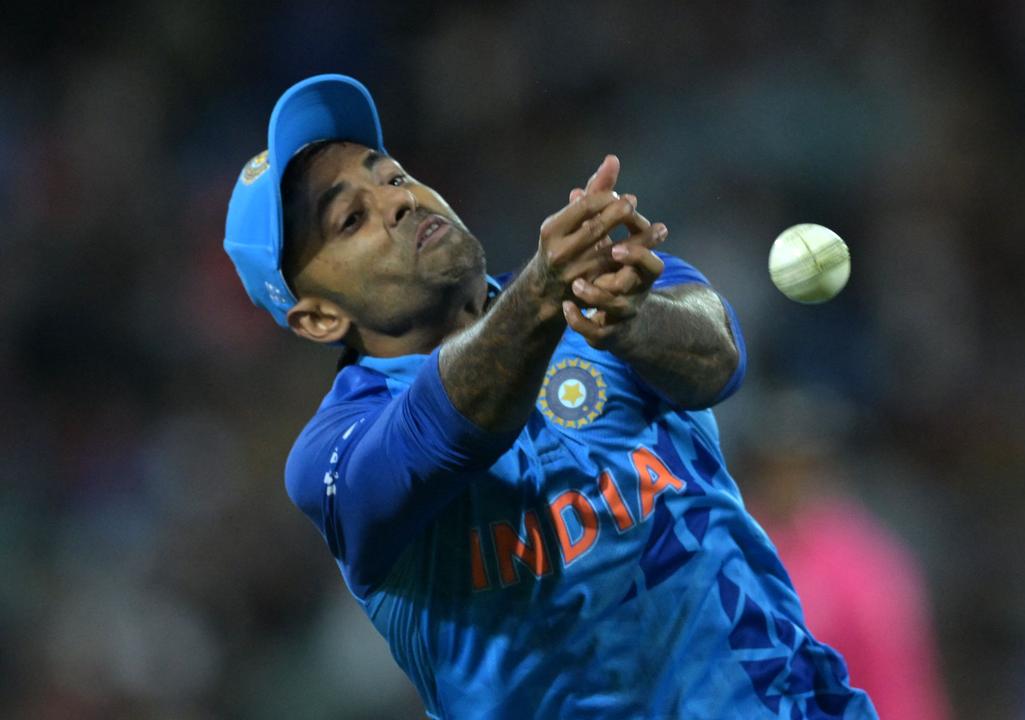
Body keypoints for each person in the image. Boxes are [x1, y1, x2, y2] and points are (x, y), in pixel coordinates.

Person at [223, 74, 877, 720]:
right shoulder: (333, 457)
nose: (399, 201)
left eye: (391, 175)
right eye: (349, 218)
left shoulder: (598, 293)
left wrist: (632, 321)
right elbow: (441, 433)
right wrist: (542, 295)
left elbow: (719, 357)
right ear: (317, 319)